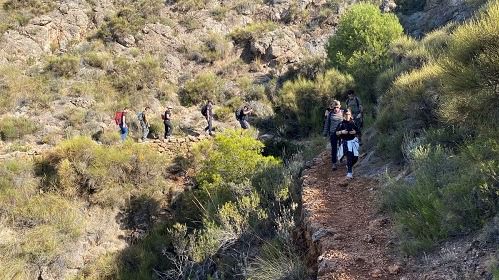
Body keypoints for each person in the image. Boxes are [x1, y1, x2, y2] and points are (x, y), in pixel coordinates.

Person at [336, 109, 360, 179]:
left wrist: (355, 132)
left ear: (351, 115)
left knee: (356, 158)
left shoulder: (353, 123)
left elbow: (358, 131)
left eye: (349, 114)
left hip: (353, 142)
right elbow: (336, 133)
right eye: (346, 114)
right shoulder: (341, 124)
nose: (347, 116)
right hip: (345, 142)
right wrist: (342, 132)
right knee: (349, 156)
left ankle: (349, 166)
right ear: (343, 115)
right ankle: (349, 173)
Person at [323, 100, 343, 171]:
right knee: (334, 148)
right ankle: (334, 163)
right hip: (333, 133)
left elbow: (348, 121)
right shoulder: (330, 114)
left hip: (341, 133)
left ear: (339, 107)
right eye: (334, 107)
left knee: (342, 146)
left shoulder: (343, 113)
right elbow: (327, 124)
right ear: (332, 108)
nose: (336, 109)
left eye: (337, 107)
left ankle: (341, 158)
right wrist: (325, 133)